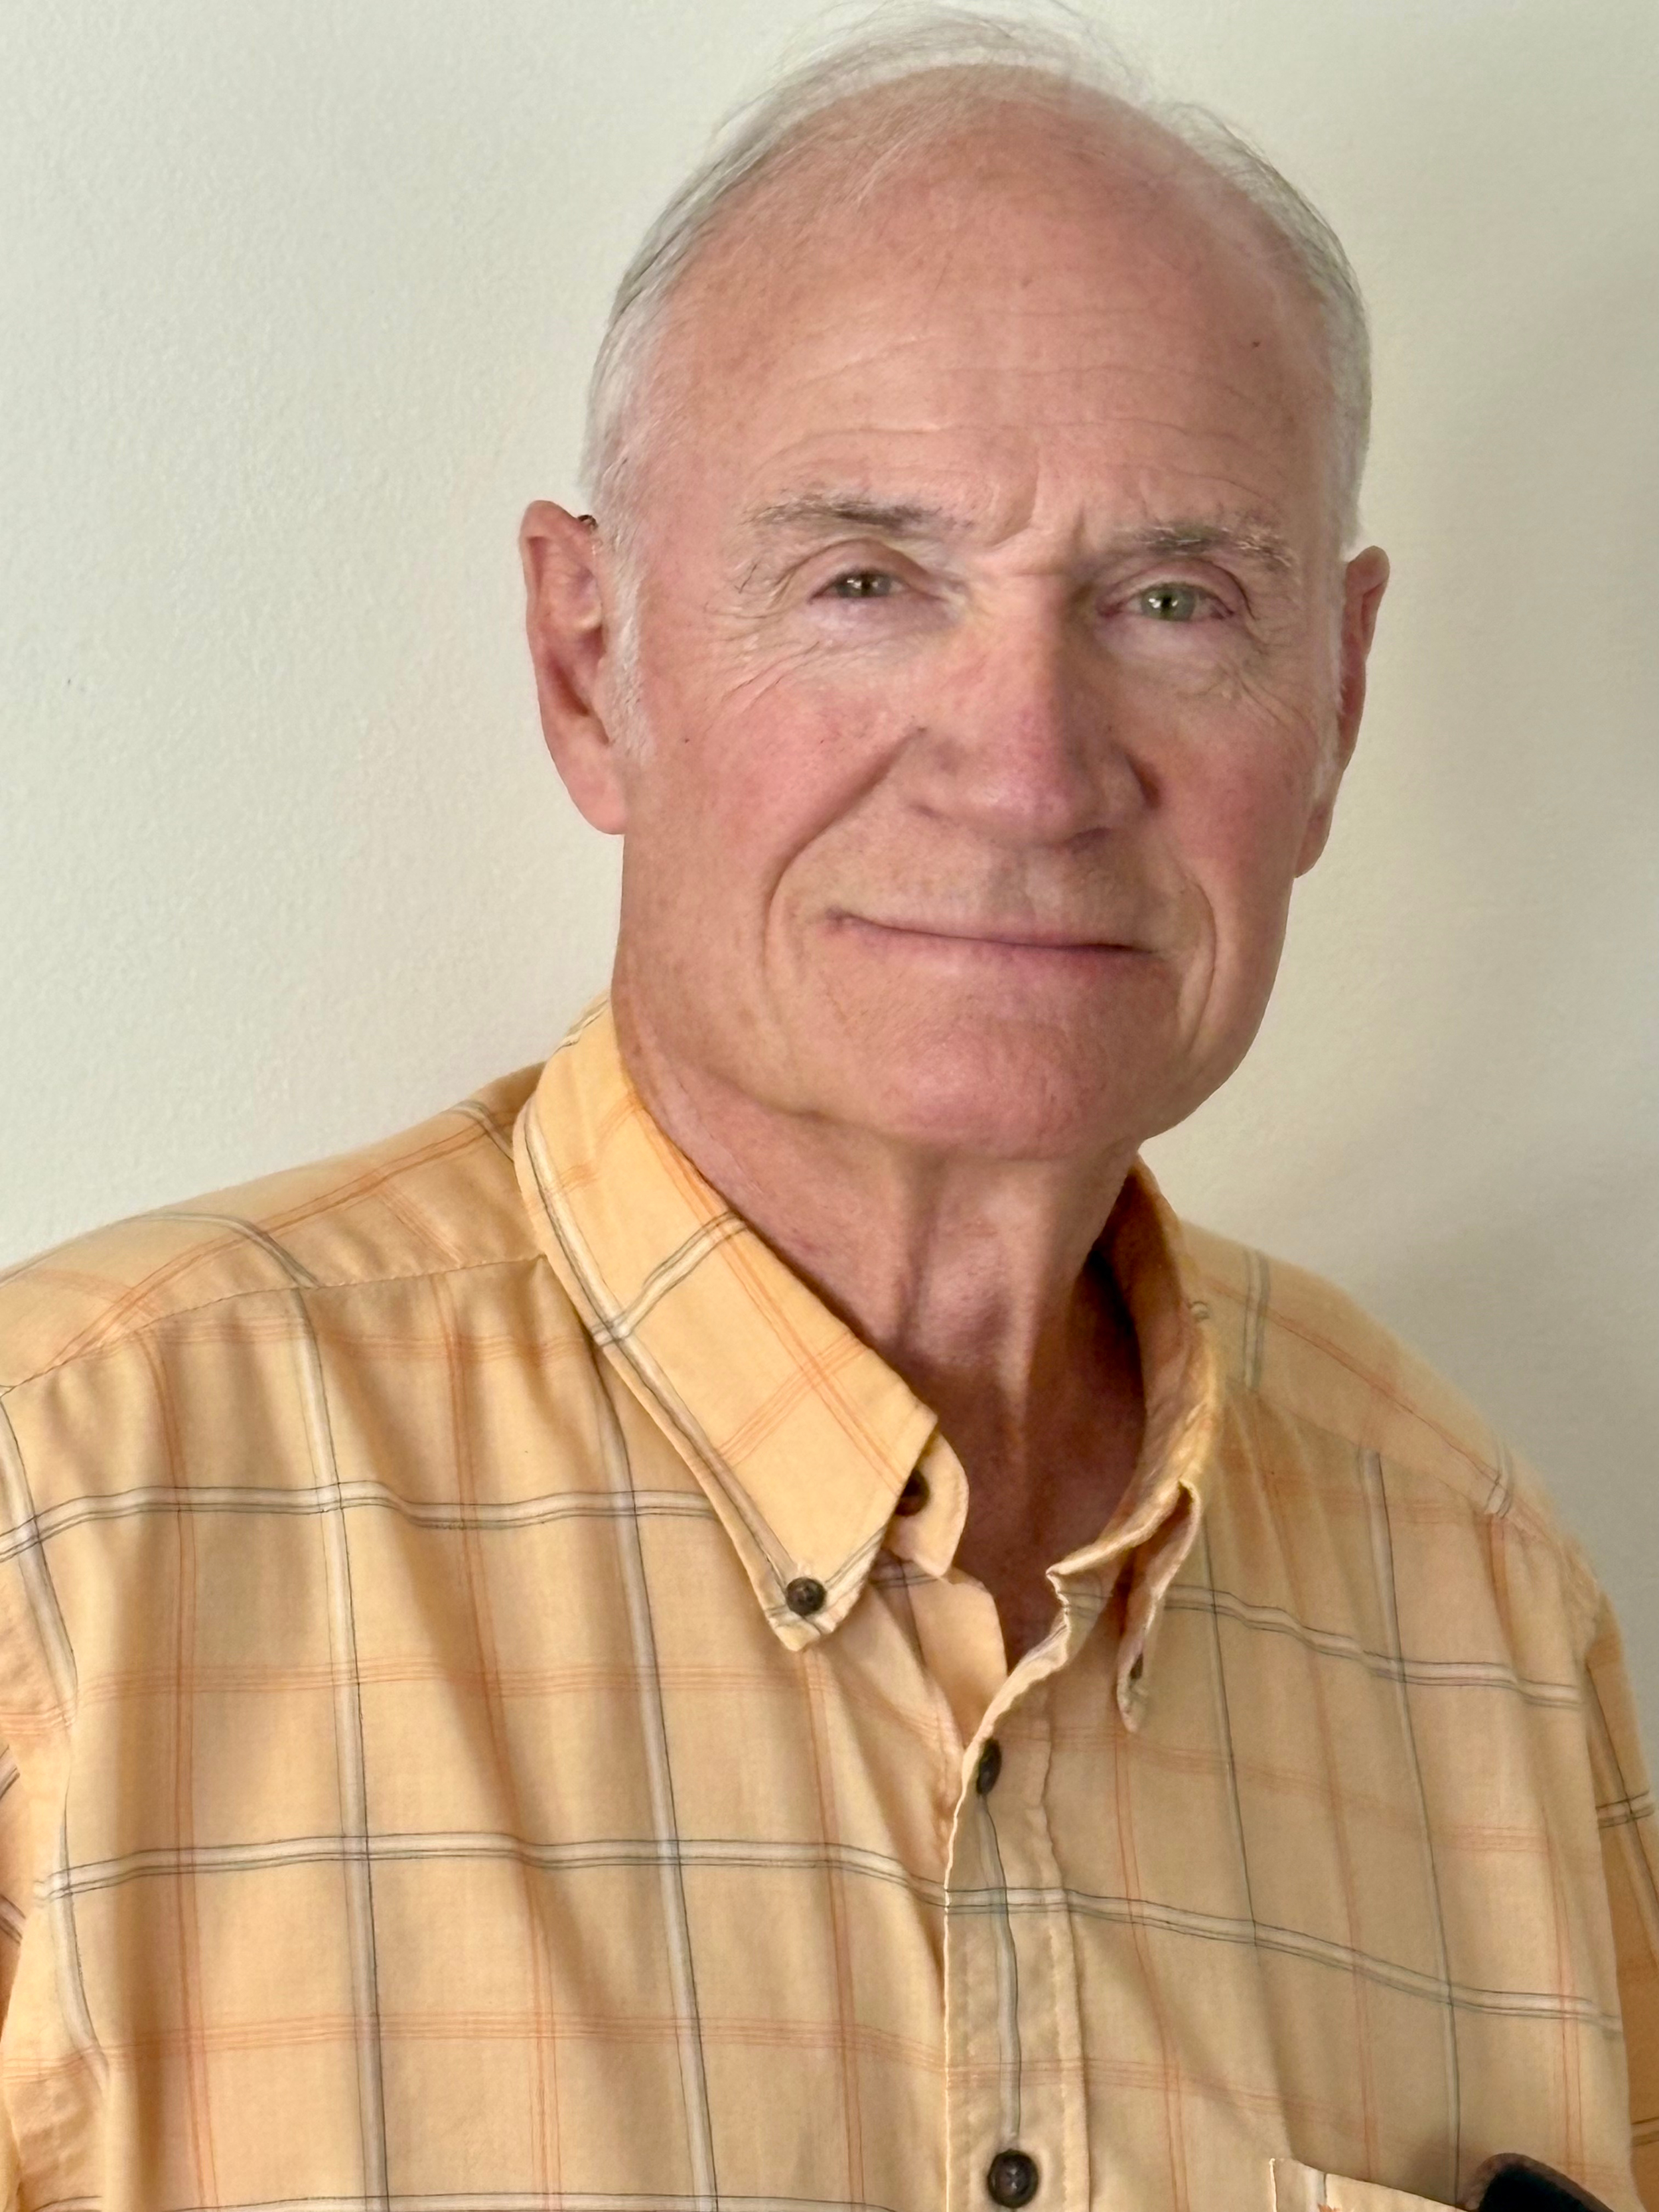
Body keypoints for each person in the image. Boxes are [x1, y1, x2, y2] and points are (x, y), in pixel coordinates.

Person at [1, 14, 1652, 2211]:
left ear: (1336, 699)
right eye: (867, 583)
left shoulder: (1476, 1599)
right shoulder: (70, 1531)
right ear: (592, 665)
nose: (1029, 769)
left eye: (1171, 600)